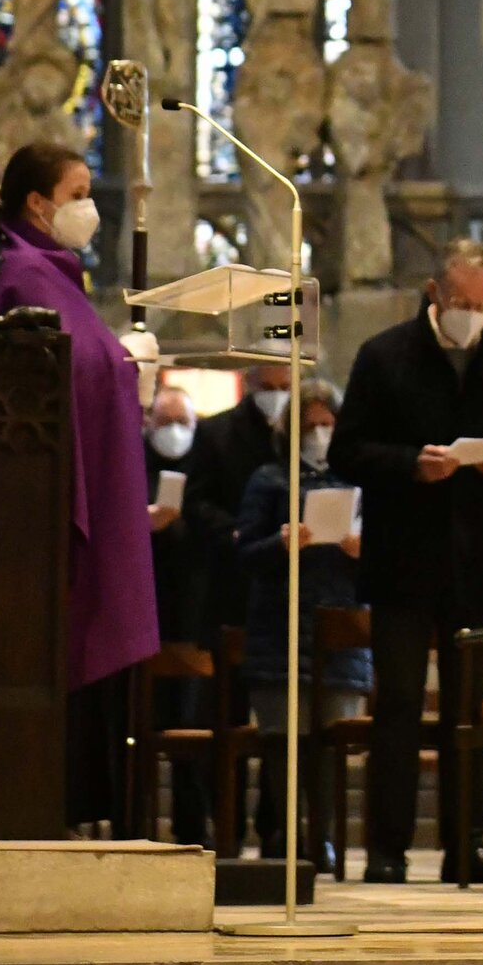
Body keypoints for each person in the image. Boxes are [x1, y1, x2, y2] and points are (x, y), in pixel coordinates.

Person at [329, 238, 483, 884]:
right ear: (435, 292)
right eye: (461, 302)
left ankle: (467, 846)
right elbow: (346, 451)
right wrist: (408, 464)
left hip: (475, 561)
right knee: (398, 705)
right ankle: (387, 848)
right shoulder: (384, 356)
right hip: (404, 557)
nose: (472, 315)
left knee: (468, 712)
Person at [0, 141, 160, 837]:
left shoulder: (57, 271)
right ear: (37, 202)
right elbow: (72, 368)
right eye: (79, 190)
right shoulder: (24, 273)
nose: (90, 206)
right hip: (44, 504)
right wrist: (124, 365)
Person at [235, 378, 370, 870]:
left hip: (342, 635)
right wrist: (282, 542)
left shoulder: (359, 481)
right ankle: (288, 836)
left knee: (333, 744)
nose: (319, 434)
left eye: (327, 425)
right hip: (280, 629)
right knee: (282, 739)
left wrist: (362, 551)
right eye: (310, 425)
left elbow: (393, 562)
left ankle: (325, 836)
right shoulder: (269, 480)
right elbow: (245, 551)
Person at [189, 361, 295, 851]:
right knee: (225, 717)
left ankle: (277, 827)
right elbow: (198, 502)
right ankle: (225, 825)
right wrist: (235, 531)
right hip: (229, 591)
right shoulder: (216, 434)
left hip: (282, 596)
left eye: (284, 386)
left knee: (280, 721)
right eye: (267, 386)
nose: (275, 394)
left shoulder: (298, 435)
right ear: (250, 383)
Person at [145, 382, 214, 844]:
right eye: (165, 422)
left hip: (193, 614)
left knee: (191, 727)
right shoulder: (133, 464)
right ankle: (136, 823)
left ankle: (193, 827)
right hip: (147, 610)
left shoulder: (207, 467)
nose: (174, 431)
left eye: (182, 422)